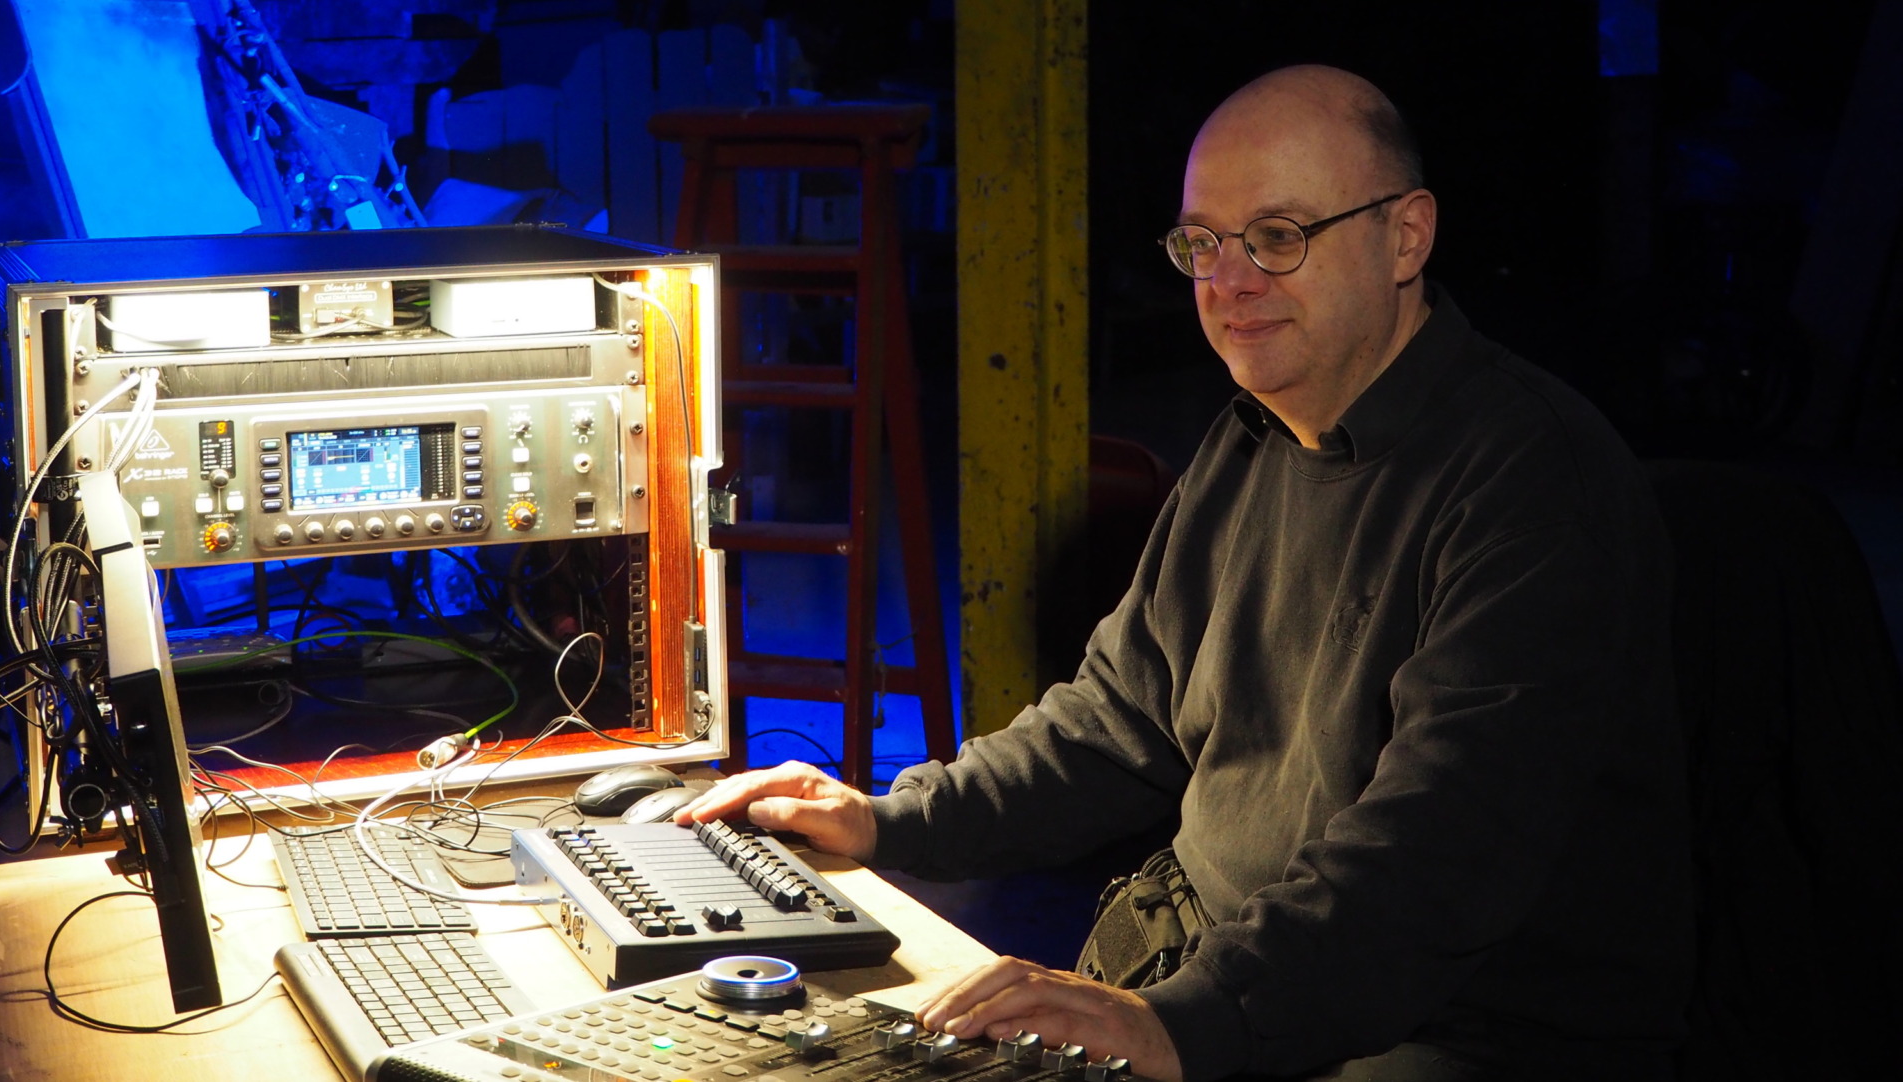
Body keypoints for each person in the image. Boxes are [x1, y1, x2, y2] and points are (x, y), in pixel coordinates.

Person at [678, 64, 1693, 1082]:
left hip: (1440, 1029)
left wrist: (1178, 1022)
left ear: (1406, 236)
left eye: (1280, 237)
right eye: (1202, 243)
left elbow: (1434, 863)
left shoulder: (1535, 481)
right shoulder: (1254, 438)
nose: (1230, 281)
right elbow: (1116, 719)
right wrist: (887, 817)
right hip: (1239, 978)